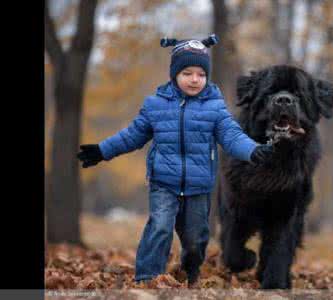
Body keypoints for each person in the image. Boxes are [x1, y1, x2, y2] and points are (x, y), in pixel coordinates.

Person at [77, 34, 274, 287]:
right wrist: (103, 150)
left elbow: (232, 136)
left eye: (201, 74)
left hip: (199, 186)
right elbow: (132, 135)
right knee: (159, 227)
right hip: (163, 182)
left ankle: (190, 272)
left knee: (196, 239)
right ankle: (147, 277)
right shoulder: (155, 105)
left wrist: (253, 151)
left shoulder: (215, 108)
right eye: (187, 73)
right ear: (174, 74)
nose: (195, 79)